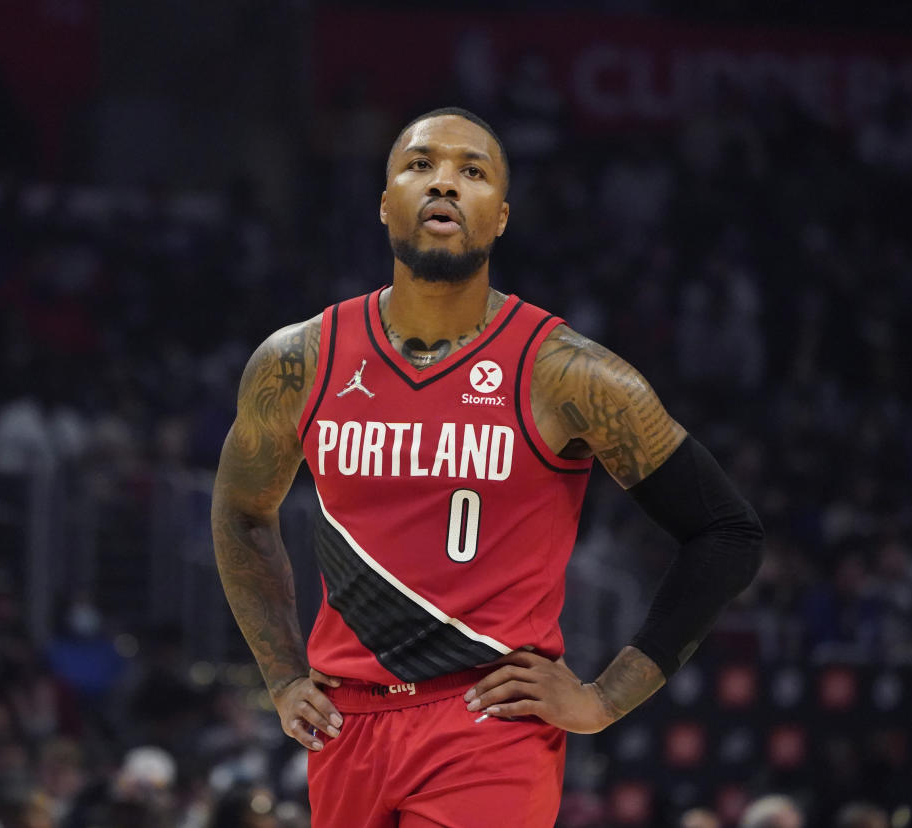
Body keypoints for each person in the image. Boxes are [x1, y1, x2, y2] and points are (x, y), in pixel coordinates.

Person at [211, 107, 764, 827]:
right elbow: (241, 511)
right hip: (345, 727)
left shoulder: (568, 374)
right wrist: (283, 675)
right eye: (420, 165)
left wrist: (604, 697)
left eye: (471, 172)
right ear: (385, 205)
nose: (444, 183)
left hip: (486, 723)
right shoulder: (299, 359)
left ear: (500, 217)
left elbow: (726, 530)